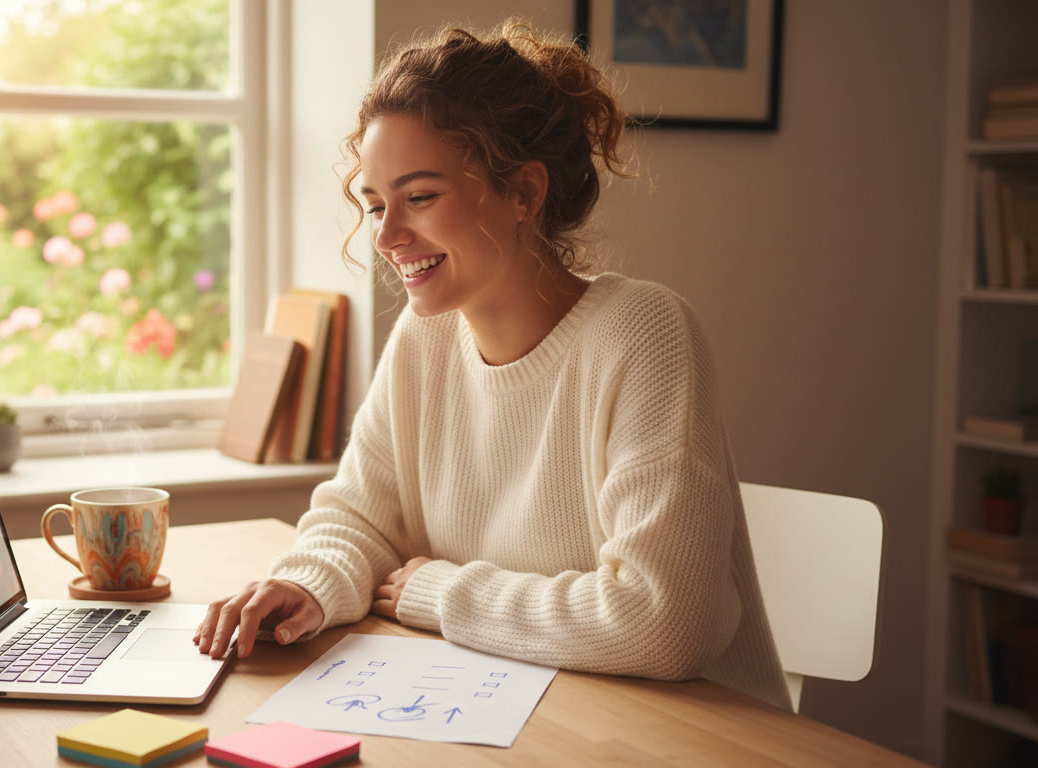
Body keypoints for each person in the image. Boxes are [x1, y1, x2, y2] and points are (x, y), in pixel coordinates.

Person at [193, 18, 791, 711]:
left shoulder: (644, 335)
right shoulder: (426, 342)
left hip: (692, 738)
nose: (387, 236)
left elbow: (663, 624)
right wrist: (307, 584)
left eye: (419, 198)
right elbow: (361, 518)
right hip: (526, 710)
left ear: (524, 194)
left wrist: (441, 590)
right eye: (376, 204)